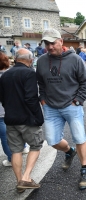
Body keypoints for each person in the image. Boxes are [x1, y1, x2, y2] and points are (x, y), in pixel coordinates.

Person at [36, 28, 86, 190]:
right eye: (47, 43)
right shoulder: (41, 61)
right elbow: (40, 83)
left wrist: (78, 101)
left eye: (53, 43)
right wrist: (42, 99)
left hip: (72, 106)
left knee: (80, 138)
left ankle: (84, 169)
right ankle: (69, 151)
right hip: (50, 108)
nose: (50, 46)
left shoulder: (75, 59)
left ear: (61, 41)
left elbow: (85, 83)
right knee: (52, 141)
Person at [0, 48, 44, 193]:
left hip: (10, 118)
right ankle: (25, 178)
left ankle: (19, 182)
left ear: (16, 58)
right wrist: (39, 117)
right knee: (36, 146)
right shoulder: (29, 73)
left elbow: (2, 98)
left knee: (16, 151)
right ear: (30, 60)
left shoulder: (5, 75)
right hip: (27, 119)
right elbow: (31, 98)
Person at [0, 52, 12, 167]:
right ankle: (23, 148)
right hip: (13, 109)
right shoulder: (11, 74)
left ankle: (11, 158)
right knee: (16, 132)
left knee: (4, 136)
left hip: (1, 111)